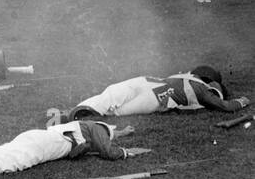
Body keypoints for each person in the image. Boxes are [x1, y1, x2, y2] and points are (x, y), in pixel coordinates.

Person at [0, 119, 148, 179]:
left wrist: (123, 133)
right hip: (49, 145)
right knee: (12, 161)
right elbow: (107, 149)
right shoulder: (98, 128)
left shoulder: (93, 128)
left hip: (40, 137)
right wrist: (126, 152)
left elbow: (107, 137)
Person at [61, 66, 250, 120]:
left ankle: (79, 111)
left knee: (111, 95)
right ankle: (83, 115)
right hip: (156, 94)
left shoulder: (186, 75)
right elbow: (223, 105)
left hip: (146, 82)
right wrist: (243, 101)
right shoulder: (203, 88)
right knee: (118, 108)